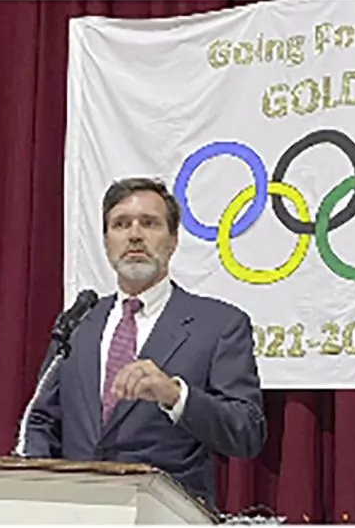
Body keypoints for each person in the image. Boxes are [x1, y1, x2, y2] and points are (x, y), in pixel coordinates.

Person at [15, 177, 267, 510]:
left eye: (149, 223)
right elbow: (42, 419)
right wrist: (39, 492)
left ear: (173, 240)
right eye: (121, 224)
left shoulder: (218, 325)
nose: (134, 235)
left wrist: (175, 395)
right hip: (78, 512)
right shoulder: (79, 322)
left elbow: (246, 432)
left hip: (166, 514)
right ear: (106, 242)